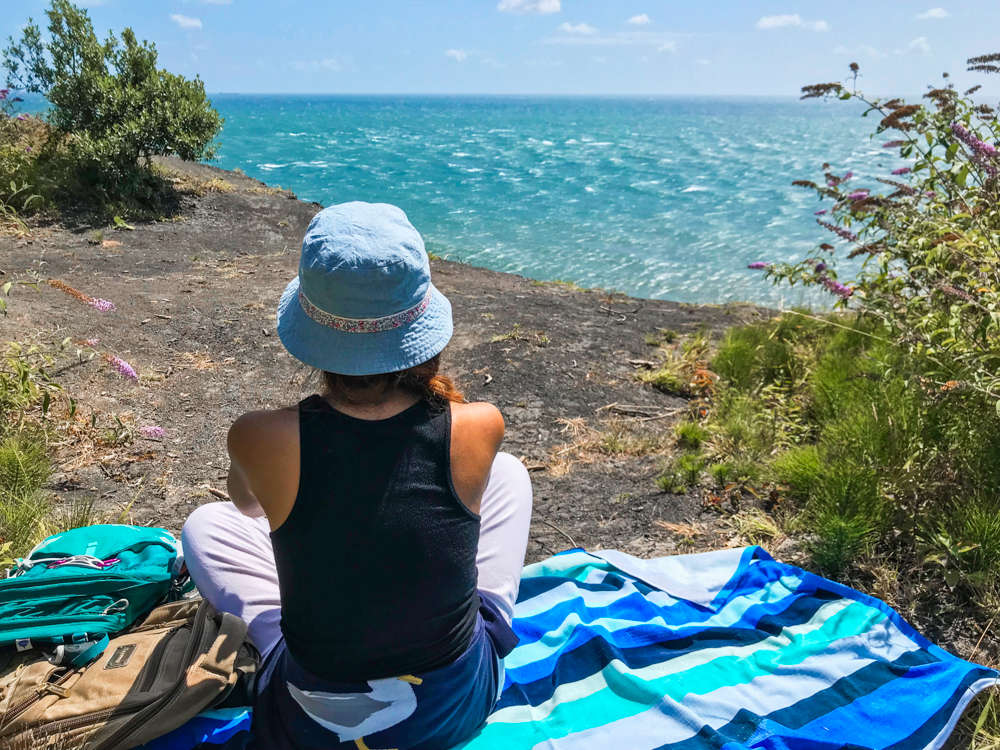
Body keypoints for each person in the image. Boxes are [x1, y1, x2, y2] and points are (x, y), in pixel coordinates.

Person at [181, 202, 533, 750]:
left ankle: (275, 640)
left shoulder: (261, 435)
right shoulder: (479, 424)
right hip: (456, 709)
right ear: (420, 323)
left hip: (308, 720)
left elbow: (247, 509)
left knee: (207, 524)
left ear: (311, 328)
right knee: (506, 474)